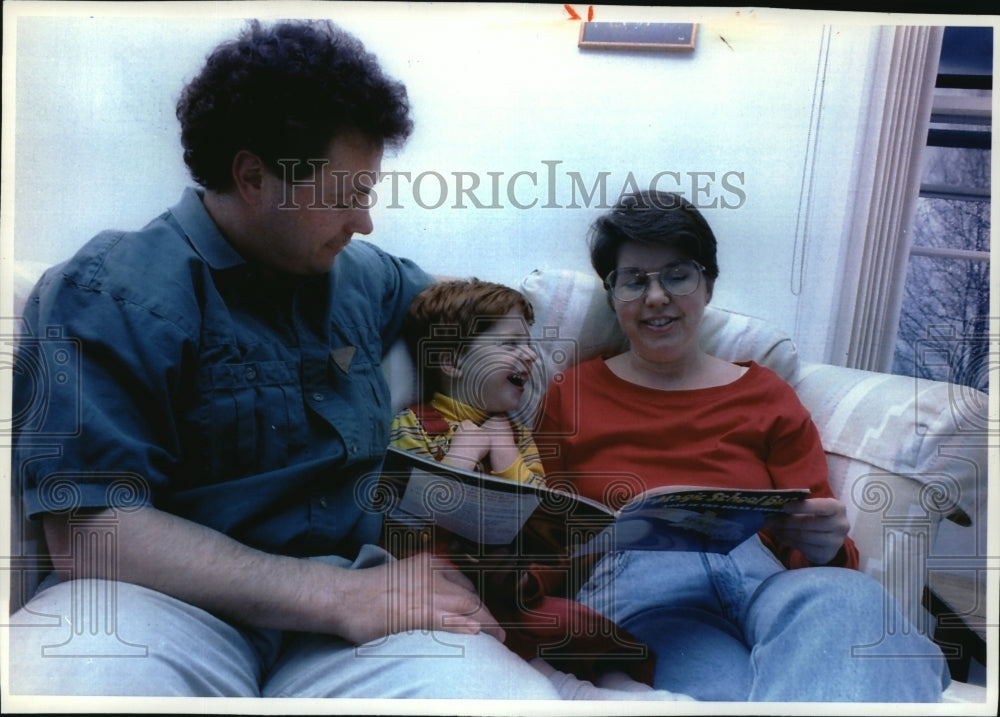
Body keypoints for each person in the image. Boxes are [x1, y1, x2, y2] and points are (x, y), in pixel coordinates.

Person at [8, 19, 565, 699]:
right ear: (252, 175)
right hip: (163, 606)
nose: (364, 222)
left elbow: (471, 316)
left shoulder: (363, 276)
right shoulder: (107, 291)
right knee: (77, 681)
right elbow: (90, 532)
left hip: (356, 613)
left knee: (506, 702)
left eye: (367, 195)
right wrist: (333, 594)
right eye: (346, 197)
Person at [536, 190, 951, 701]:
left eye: (677, 275)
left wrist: (824, 545)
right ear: (612, 295)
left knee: (851, 600)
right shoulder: (571, 393)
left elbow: (818, 533)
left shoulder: (766, 393)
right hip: (647, 590)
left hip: (766, 579)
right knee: (722, 691)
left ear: (707, 284)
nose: (656, 296)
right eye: (634, 280)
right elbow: (542, 533)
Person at [389, 278, 545, 486]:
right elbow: (407, 502)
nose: (532, 355)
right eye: (511, 343)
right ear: (453, 363)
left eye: (528, 345)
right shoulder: (412, 426)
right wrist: (461, 458)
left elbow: (541, 506)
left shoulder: (519, 437)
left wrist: (505, 453)